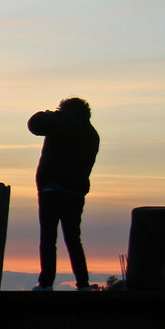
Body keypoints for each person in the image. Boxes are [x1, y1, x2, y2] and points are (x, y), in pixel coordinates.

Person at [28, 97, 100, 291]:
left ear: (66, 111)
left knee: (48, 239)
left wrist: (48, 114)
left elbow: (34, 126)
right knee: (74, 239)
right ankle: (83, 283)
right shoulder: (92, 134)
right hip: (76, 191)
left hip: (52, 188)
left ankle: (46, 283)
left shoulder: (62, 124)